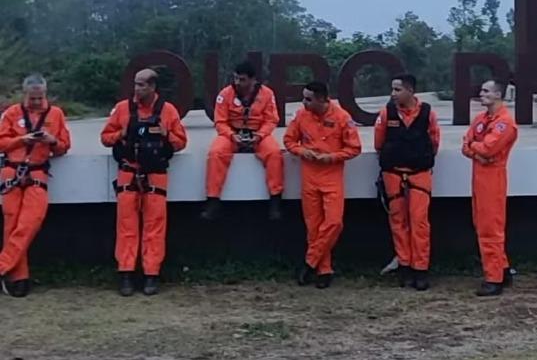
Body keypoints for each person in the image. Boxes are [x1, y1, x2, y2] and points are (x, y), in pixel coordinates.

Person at [101, 68, 187, 296]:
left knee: (155, 227)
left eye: (142, 85)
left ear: (152, 87)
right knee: (126, 227)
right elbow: (105, 138)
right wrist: (121, 133)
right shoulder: (122, 109)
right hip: (128, 173)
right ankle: (126, 274)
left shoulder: (168, 111)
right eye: (136, 84)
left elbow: (181, 142)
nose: (137, 89)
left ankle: (151, 275)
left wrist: (164, 134)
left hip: (156, 174)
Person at [284, 81, 361, 289]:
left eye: (308, 99)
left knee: (334, 223)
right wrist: (303, 152)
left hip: (332, 176)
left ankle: (309, 263)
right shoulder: (300, 116)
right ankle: (324, 270)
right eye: (303, 98)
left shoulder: (342, 117)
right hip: (309, 176)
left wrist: (332, 157)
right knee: (314, 227)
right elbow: (289, 141)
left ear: (322, 99)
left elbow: (355, 148)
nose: (304, 102)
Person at [0, 74, 71, 297]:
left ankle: (2, 266)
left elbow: (64, 146)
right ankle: (19, 278)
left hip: (37, 173)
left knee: (30, 222)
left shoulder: (56, 114)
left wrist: (52, 141)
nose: (37, 103)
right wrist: (22, 140)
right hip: (12, 171)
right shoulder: (11, 113)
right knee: (11, 223)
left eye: (40, 98)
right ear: (25, 95)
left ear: (45, 94)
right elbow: (1, 142)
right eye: (33, 99)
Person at [374, 73, 440, 291]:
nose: (393, 94)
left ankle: (420, 269)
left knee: (419, 222)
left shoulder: (428, 113)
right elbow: (378, 142)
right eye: (392, 89)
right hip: (393, 174)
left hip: (419, 174)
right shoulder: (386, 113)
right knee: (398, 222)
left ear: (410, 91)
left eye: (397, 89)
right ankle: (404, 266)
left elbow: (434, 140)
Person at [201, 61, 284, 221]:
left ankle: (275, 201)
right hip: (232, 133)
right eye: (236, 79)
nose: (238, 83)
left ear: (253, 80)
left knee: (274, 154)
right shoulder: (225, 94)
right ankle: (213, 200)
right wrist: (232, 135)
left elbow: (272, 120)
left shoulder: (266, 94)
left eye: (243, 79)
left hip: (258, 134)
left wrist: (260, 135)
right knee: (216, 153)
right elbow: (220, 121)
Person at [462, 79, 518, 297]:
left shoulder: (505, 122)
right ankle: (502, 270)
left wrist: (476, 148)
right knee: (481, 224)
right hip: (479, 176)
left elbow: (488, 148)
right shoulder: (481, 119)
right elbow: (465, 146)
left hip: (493, 179)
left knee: (490, 229)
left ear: (497, 95)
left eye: (486, 91)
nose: (481, 93)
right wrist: (477, 150)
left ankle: (493, 279)